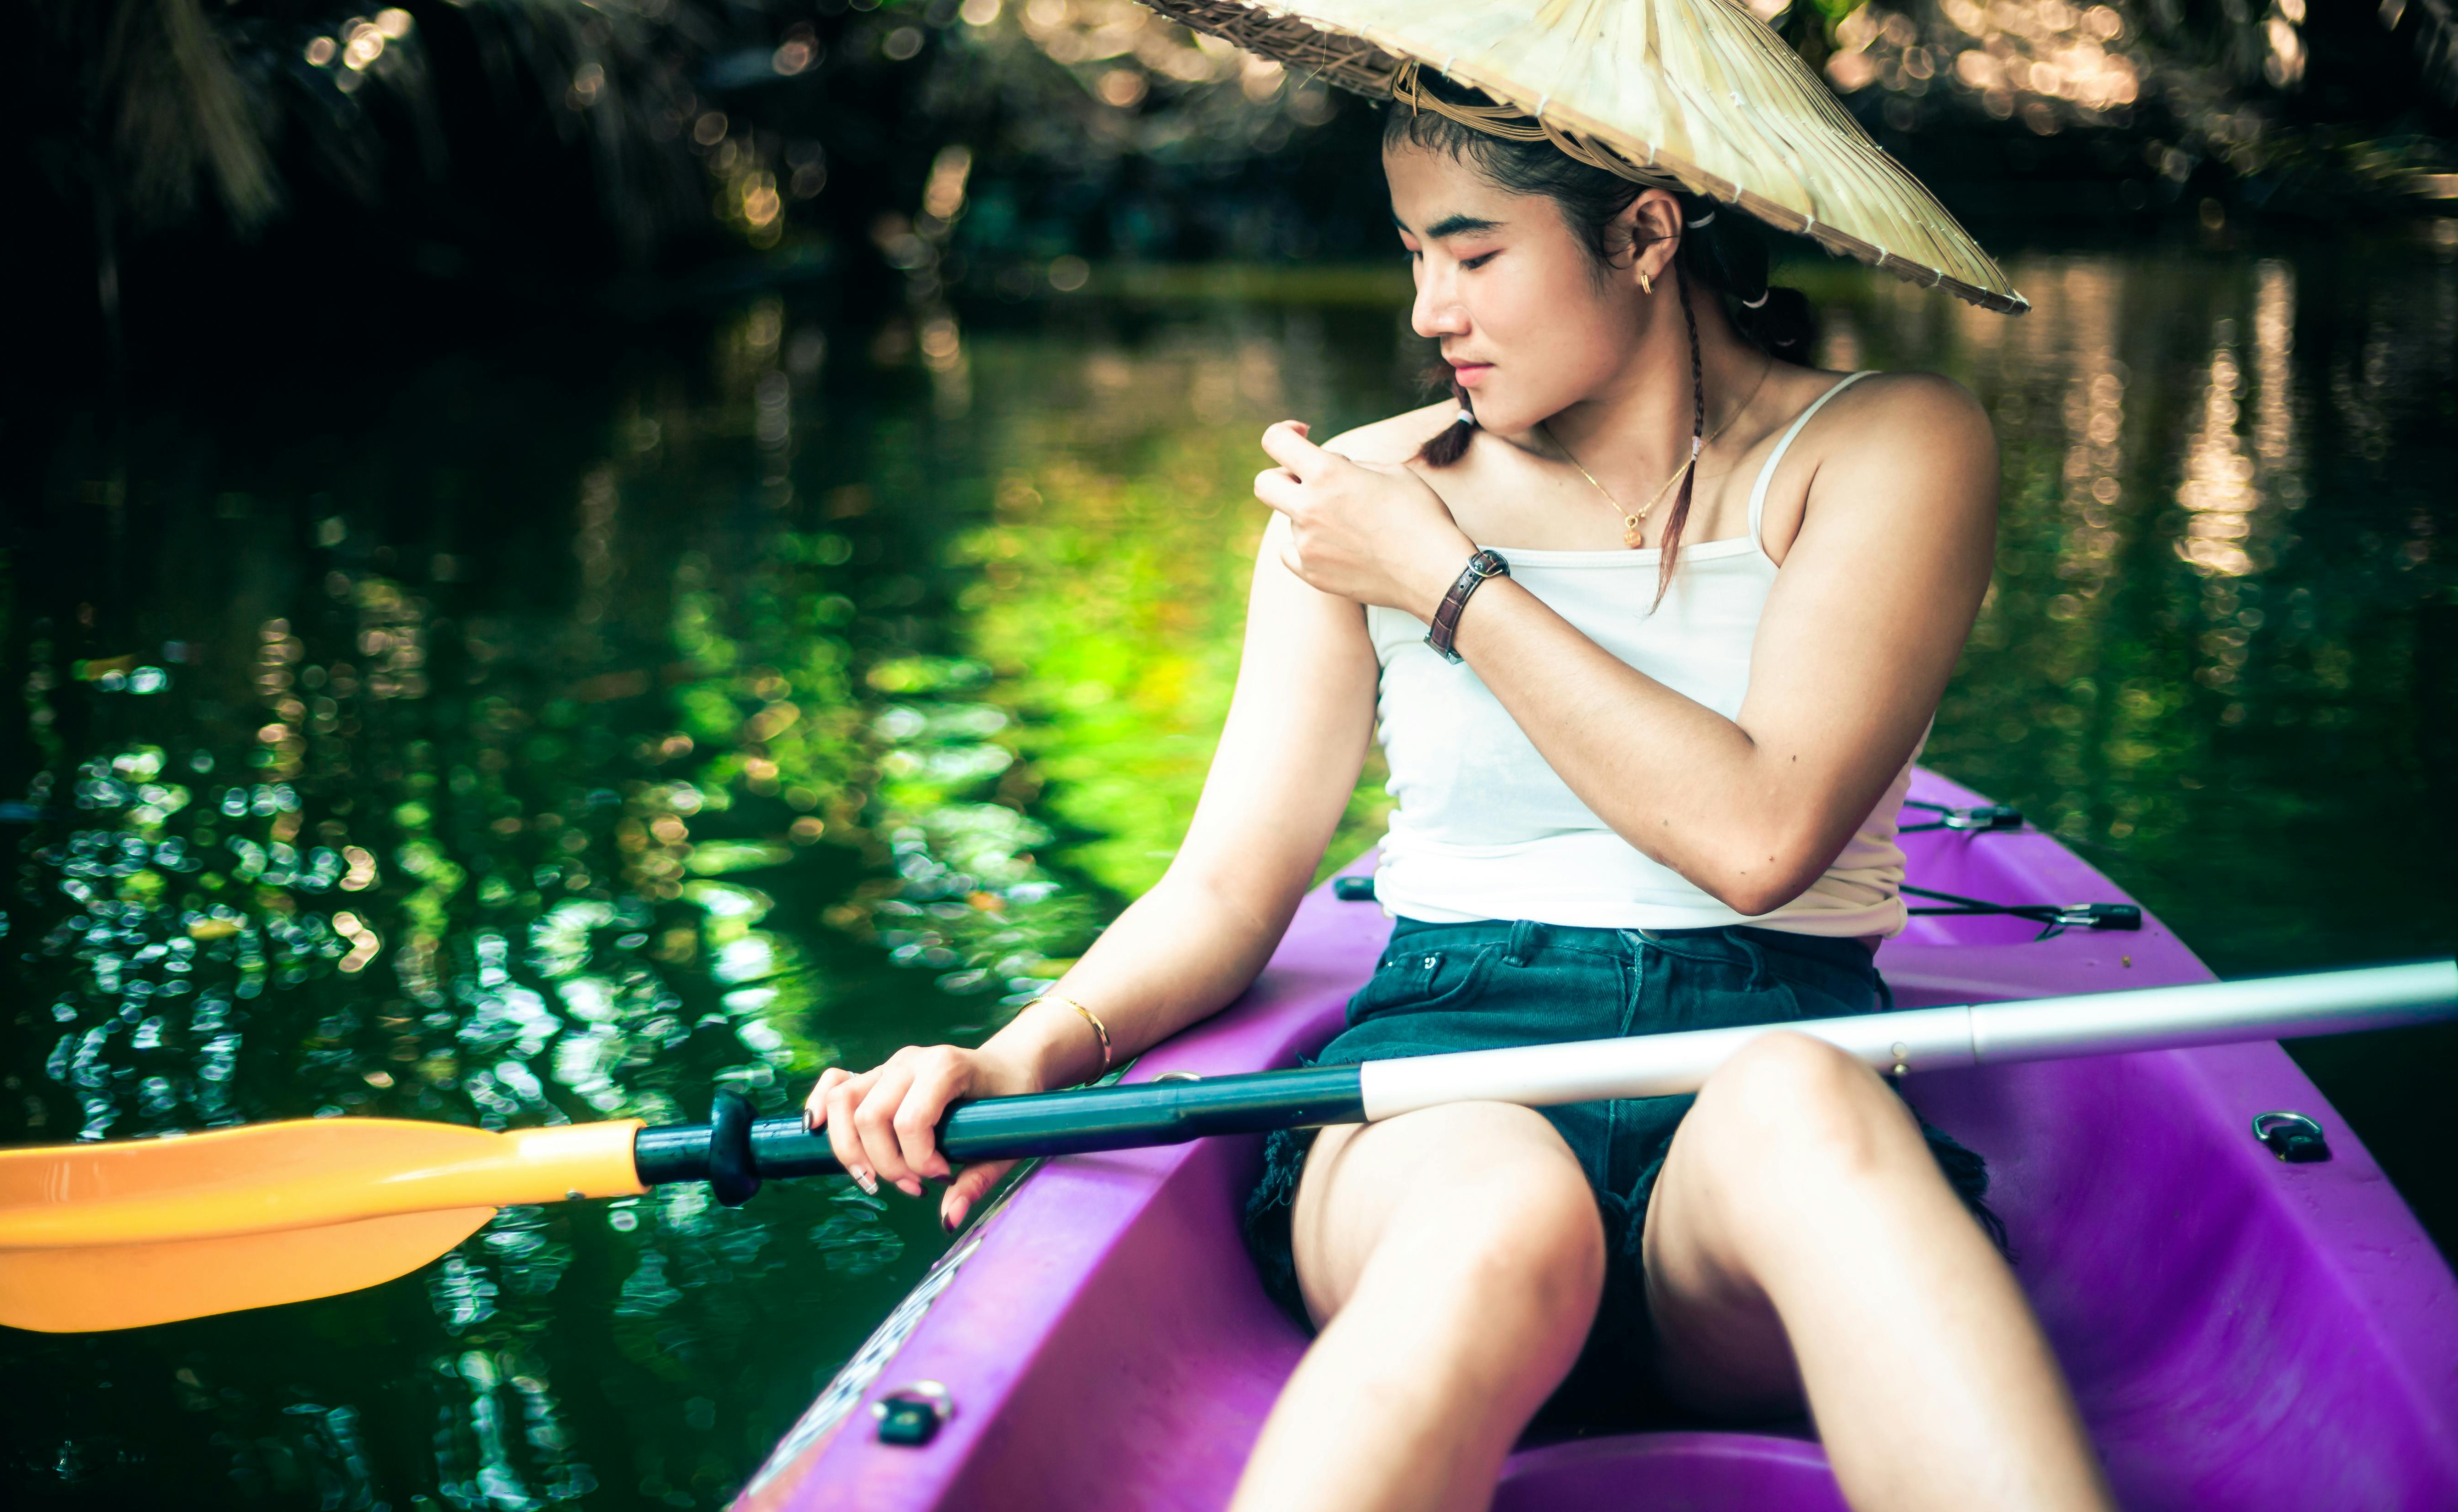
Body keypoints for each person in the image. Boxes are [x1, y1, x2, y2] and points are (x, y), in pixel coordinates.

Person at [800, 90, 2113, 1512]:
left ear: (1646, 234)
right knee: (1503, 1210)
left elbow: (1760, 840)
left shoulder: (1889, 444)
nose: (1432, 308)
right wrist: (1019, 1060)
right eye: (1413, 251)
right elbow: (1232, 888)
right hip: (1443, 1080)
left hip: (1767, 1072)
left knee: (1802, 1100)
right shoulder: (1359, 493)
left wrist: (1447, 584)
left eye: (1475, 255)